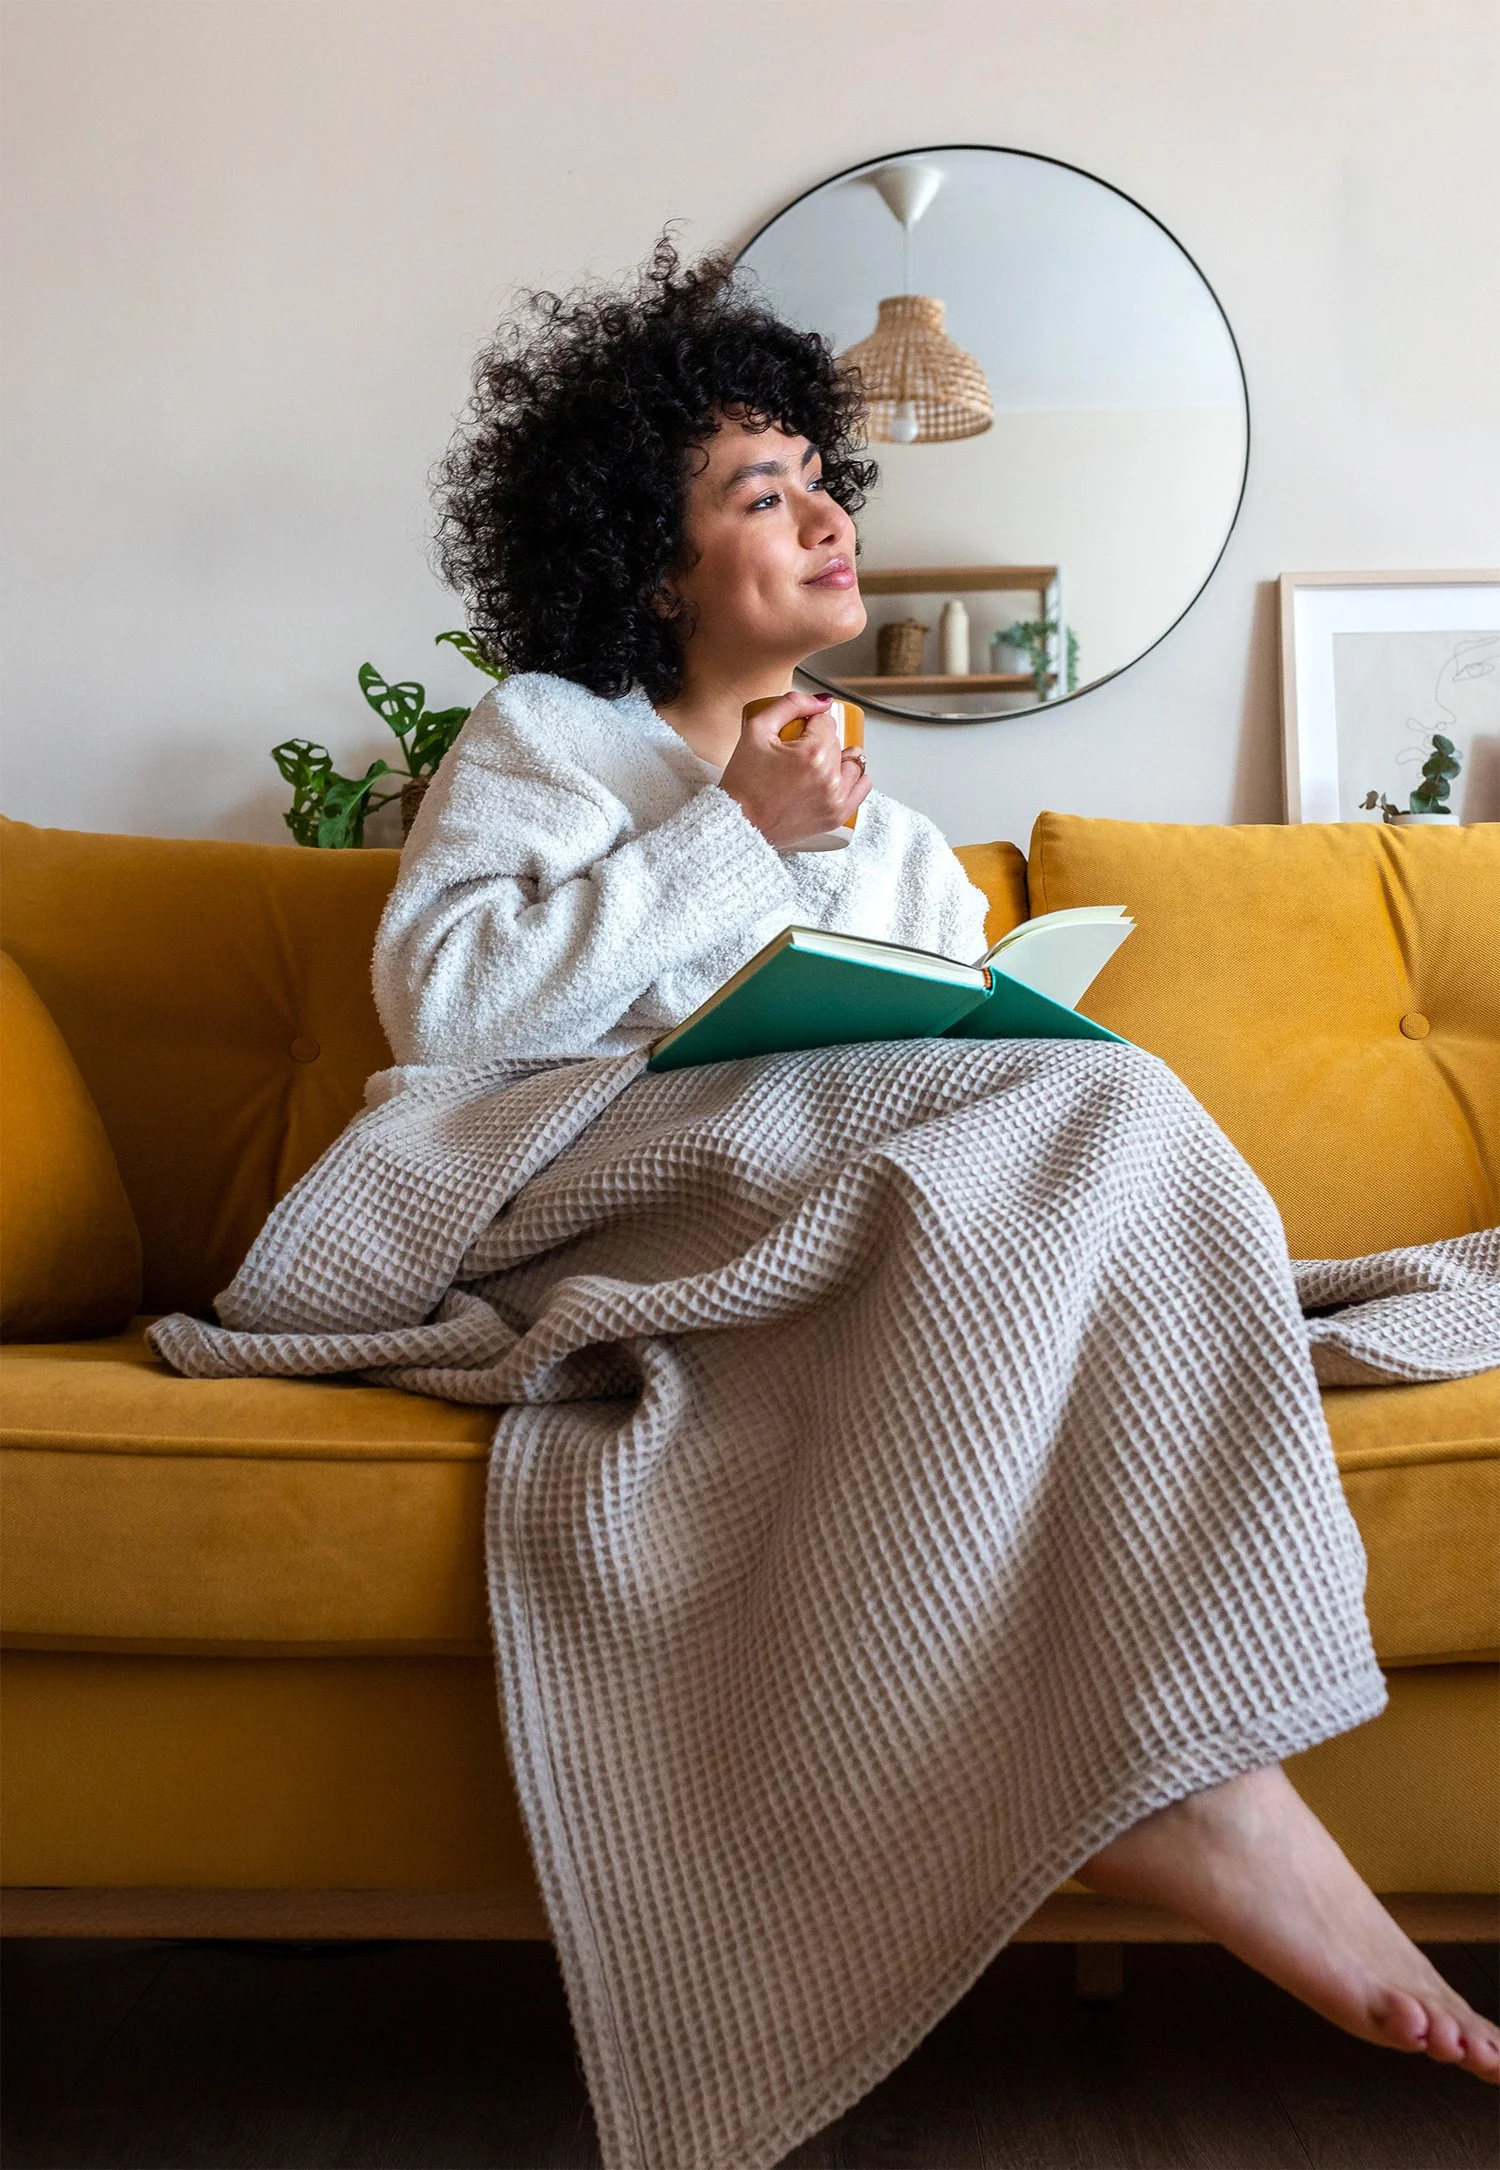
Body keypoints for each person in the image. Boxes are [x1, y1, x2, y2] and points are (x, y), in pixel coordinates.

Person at [373, 238, 1497, 2082]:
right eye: (761, 491)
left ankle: (1197, 1767)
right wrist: (731, 829)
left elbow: (924, 1044)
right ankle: (1212, 1800)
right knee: (1109, 1115)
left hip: (822, 1200)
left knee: (1107, 1093)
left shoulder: (874, 807)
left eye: (826, 481)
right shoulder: (546, 738)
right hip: (592, 1189)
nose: (821, 515)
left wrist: (961, 984)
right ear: (654, 567)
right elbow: (448, 1006)